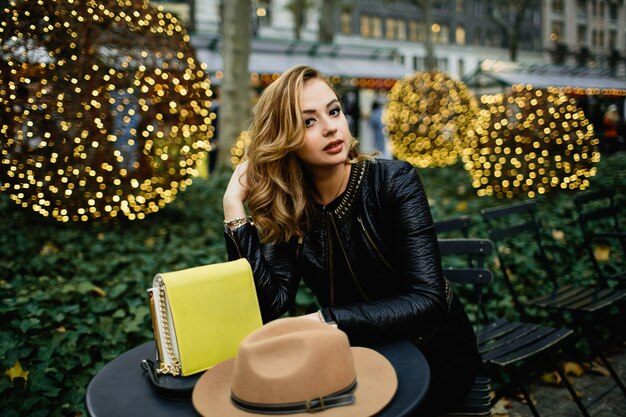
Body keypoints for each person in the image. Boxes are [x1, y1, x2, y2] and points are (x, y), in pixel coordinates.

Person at [222, 65, 480, 416]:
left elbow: (428, 300)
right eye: (308, 121)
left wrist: (326, 320)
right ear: (285, 138)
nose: (330, 127)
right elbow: (270, 304)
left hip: (434, 352)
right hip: (353, 359)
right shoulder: (293, 206)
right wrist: (235, 210)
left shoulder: (393, 181)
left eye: (333, 111)